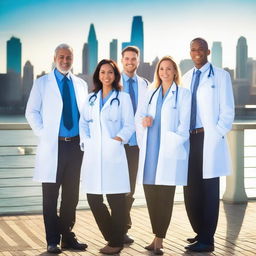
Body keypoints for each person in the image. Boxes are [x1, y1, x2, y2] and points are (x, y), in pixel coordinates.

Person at [25, 44, 88, 254]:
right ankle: (53, 240)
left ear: (73, 59)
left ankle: (67, 237)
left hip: (75, 146)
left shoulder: (80, 84)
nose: (65, 60)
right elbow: (31, 112)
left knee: (71, 197)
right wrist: (45, 133)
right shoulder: (42, 83)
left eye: (69, 57)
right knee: (50, 197)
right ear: (54, 58)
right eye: (61, 57)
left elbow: (85, 116)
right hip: (54, 146)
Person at [182, 38, 234, 252]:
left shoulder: (221, 76)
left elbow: (228, 111)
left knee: (209, 192)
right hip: (189, 139)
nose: (197, 53)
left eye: (200, 49)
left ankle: (207, 239)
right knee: (191, 190)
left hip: (208, 139)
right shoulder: (185, 77)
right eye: (193, 49)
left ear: (208, 51)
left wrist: (216, 134)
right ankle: (199, 232)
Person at [136, 56, 191, 255]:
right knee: (150, 192)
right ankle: (156, 235)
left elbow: (184, 127)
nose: (165, 73)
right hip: (151, 151)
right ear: (157, 72)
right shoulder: (150, 93)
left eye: (169, 69)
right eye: (161, 69)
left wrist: (171, 143)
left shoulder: (183, 94)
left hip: (168, 151)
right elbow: (139, 117)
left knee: (165, 196)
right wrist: (145, 122)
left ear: (175, 72)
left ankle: (160, 239)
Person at [79, 59, 135, 255]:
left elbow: (129, 125)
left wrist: (117, 139)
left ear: (115, 75)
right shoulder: (90, 98)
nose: (106, 76)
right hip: (94, 154)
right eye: (102, 72)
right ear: (98, 75)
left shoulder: (123, 97)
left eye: (110, 72)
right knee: (93, 198)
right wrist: (86, 140)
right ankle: (115, 237)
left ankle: (115, 242)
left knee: (116, 199)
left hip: (113, 153)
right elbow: (83, 123)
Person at [120, 46, 148, 244]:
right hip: (118, 145)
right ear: (122, 60)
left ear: (138, 61)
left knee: (129, 189)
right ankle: (119, 227)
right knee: (116, 188)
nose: (130, 62)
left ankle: (122, 228)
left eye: (133, 59)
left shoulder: (146, 84)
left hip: (137, 146)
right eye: (127, 58)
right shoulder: (112, 82)